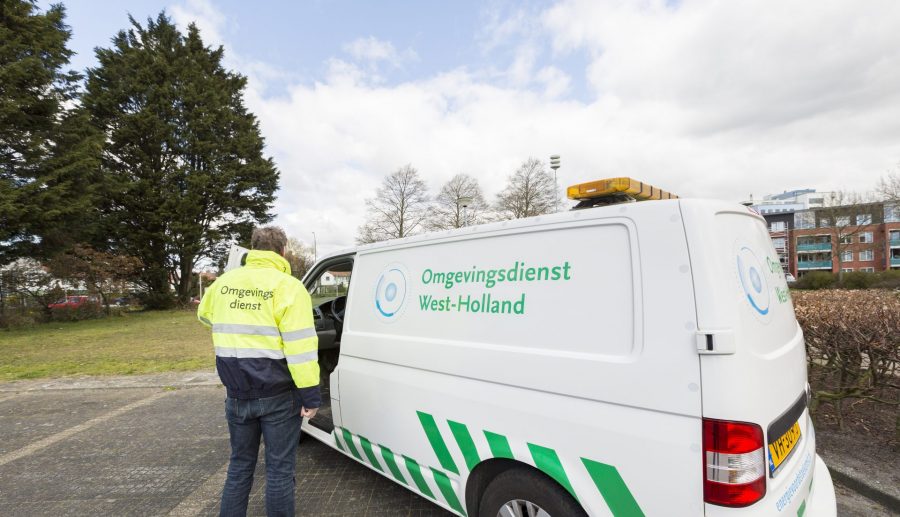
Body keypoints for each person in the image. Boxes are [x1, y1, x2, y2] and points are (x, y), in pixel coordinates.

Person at [197, 226, 320, 517]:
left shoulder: (223, 284)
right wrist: (311, 396)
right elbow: (300, 349)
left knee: (240, 465)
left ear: (252, 248)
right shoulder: (289, 287)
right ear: (282, 251)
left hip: (237, 393)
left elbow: (204, 315)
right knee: (279, 470)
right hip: (278, 394)